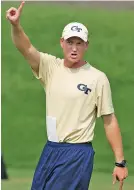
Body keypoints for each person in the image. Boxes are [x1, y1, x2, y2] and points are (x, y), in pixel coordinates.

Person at [6, 1, 128, 190]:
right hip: (51, 149)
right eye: (70, 42)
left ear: (86, 45)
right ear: (62, 42)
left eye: (79, 43)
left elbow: (109, 120)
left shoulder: (97, 78)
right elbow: (26, 48)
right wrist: (16, 26)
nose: (74, 48)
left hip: (77, 153)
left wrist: (120, 162)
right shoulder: (50, 67)